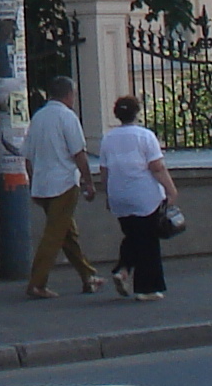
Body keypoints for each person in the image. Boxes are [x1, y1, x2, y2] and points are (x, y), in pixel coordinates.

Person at [21, 75, 103, 297]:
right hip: (64, 184)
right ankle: (37, 283)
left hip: (42, 184)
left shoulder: (38, 118)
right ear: (69, 95)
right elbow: (79, 153)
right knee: (54, 235)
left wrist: (33, 182)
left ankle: (88, 276)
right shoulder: (67, 117)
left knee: (66, 232)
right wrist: (88, 182)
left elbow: (27, 158)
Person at [100, 92, 178, 301]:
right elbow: (157, 167)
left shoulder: (108, 139)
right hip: (144, 195)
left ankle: (123, 269)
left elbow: (104, 170)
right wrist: (171, 190)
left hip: (119, 195)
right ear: (137, 113)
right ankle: (147, 288)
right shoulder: (145, 136)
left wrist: (108, 194)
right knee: (149, 241)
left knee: (134, 235)